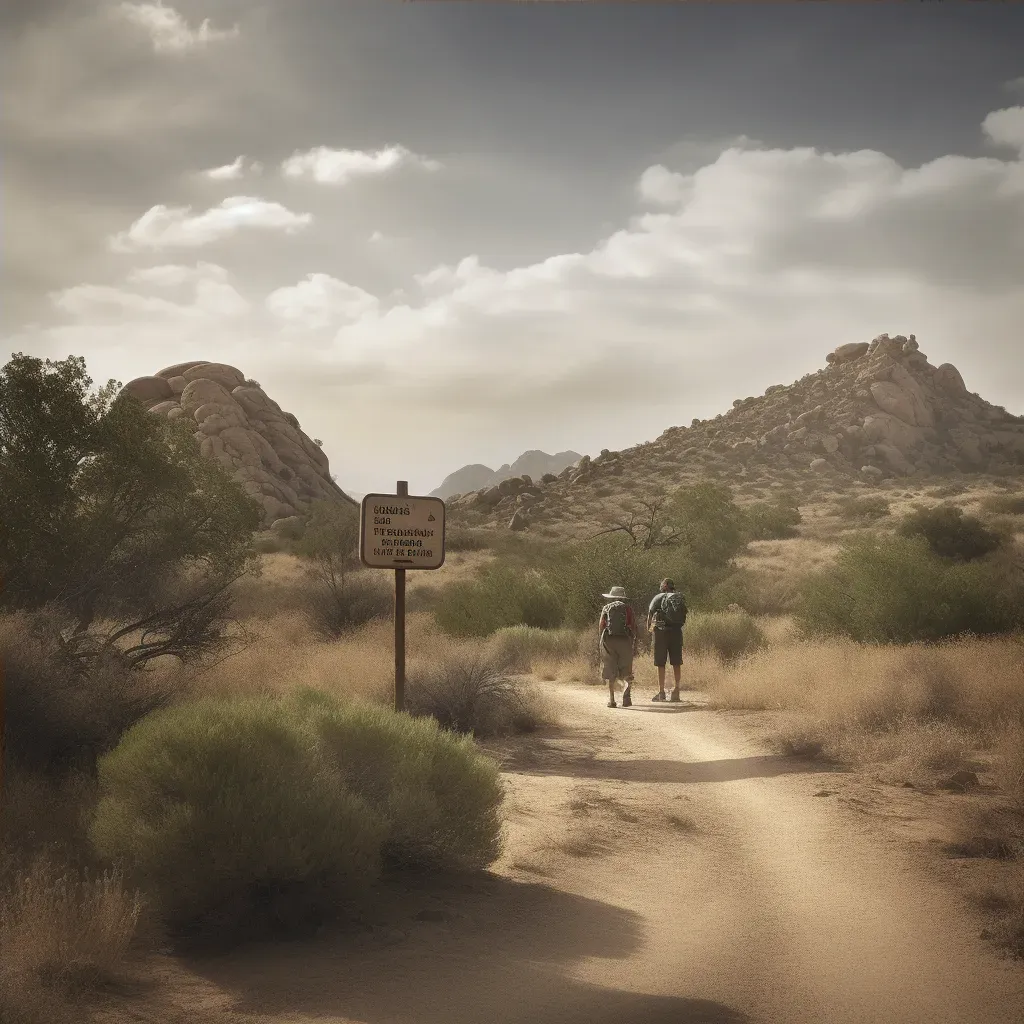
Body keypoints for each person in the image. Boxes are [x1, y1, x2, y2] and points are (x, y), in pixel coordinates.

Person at [647, 578, 687, 702]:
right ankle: (676, 691)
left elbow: (650, 615)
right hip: (676, 632)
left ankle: (661, 692)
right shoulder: (679, 598)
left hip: (661, 632)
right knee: (676, 662)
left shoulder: (658, 597)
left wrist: (650, 631)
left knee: (660, 663)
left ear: (664, 586)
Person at [599, 586, 636, 708]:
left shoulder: (606, 608)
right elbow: (633, 626)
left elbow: (601, 625)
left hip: (609, 640)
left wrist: (602, 640)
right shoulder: (628, 609)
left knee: (610, 668)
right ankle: (626, 697)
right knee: (627, 669)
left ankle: (612, 700)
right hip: (625, 640)